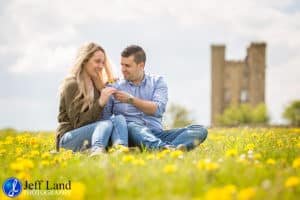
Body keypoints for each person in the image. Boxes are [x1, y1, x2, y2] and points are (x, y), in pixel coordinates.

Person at [102, 45, 208, 151]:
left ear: (141, 65)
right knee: (132, 126)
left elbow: (158, 110)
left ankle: (166, 148)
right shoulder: (114, 86)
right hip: (132, 135)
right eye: (122, 65)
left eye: (127, 66)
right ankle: (163, 148)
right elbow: (106, 119)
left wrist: (131, 100)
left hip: (157, 134)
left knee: (200, 129)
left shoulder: (157, 82)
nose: (123, 69)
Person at [56, 42, 128, 156]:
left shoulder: (95, 85)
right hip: (68, 140)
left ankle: (120, 149)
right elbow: (78, 124)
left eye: (103, 62)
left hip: (91, 135)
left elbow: (104, 117)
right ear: (84, 60)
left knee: (119, 119)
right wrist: (100, 103)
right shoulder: (72, 84)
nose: (101, 66)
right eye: (97, 61)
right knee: (105, 124)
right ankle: (97, 151)